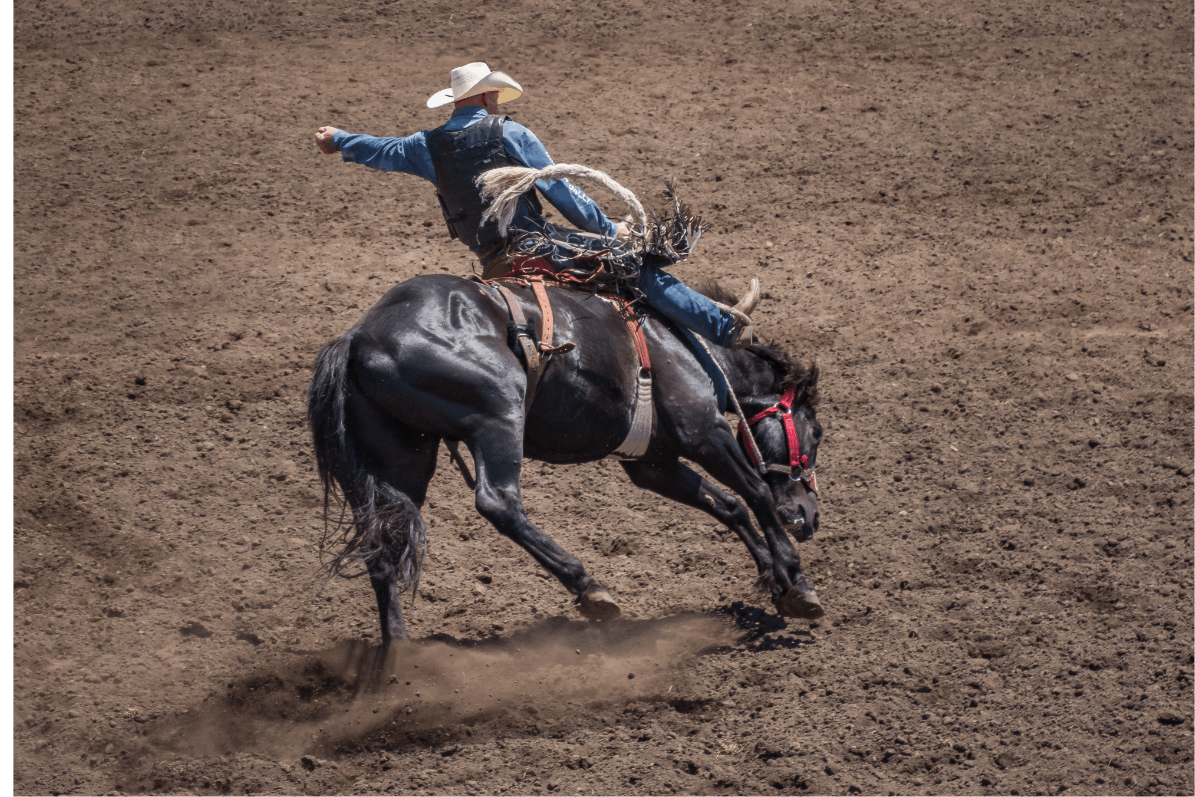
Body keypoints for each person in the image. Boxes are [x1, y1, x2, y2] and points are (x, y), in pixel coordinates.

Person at [315, 62, 758, 348]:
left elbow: (380, 149)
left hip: (491, 262)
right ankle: (724, 329)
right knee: (635, 269)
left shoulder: (425, 146)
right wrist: (611, 231)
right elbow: (562, 192)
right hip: (535, 249)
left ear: (456, 101)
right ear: (488, 96)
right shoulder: (510, 133)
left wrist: (338, 140)